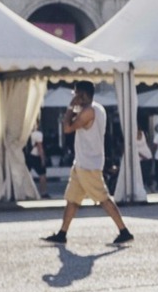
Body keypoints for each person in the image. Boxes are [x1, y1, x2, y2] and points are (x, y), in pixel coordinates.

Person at [42, 82, 133, 245]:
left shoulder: (88, 112)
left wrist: (70, 107)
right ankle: (62, 233)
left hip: (89, 164)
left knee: (103, 198)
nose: (74, 97)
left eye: (76, 94)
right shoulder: (98, 108)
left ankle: (124, 231)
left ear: (82, 95)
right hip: (83, 163)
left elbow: (67, 128)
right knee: (72, 199)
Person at [26, 125, 49, 198]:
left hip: (27, 156)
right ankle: (43, 192)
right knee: (42, 175)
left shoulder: (26, 134)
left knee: (27, 174)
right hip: (36, 156)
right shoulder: (38, 134)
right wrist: (42, 158)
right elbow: (40, 147)